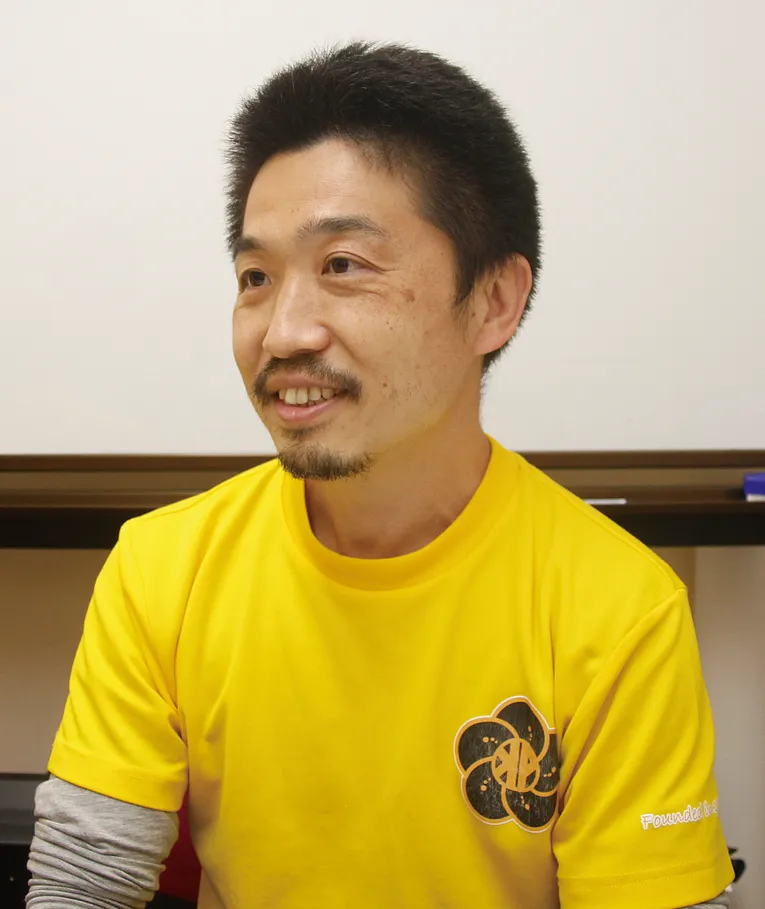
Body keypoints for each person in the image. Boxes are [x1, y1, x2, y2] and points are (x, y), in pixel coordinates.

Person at [26, 41, 733, 909]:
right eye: (255, 276)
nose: (283, 331)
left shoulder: (619, 610)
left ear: (494, 302)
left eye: (343, 266)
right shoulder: (160, 569)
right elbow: (82, 885)